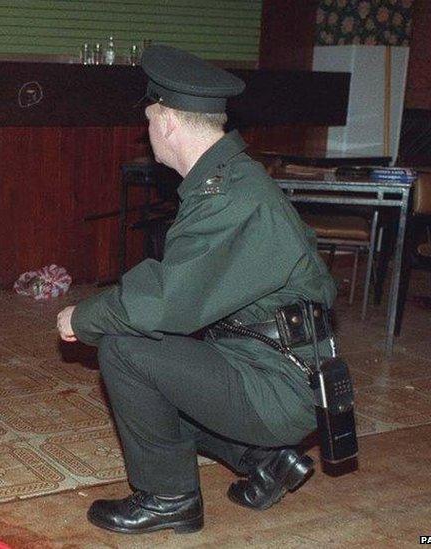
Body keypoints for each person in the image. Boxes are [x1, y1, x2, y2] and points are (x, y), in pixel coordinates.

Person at [55, 45, 337, 536]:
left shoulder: (229, 196)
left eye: (148, 122)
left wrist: (82, 318)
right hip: (271, 365)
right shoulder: (226, 182)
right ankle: (266, 460)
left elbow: (166, 299)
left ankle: (169, 499)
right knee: (159, 380)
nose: (148, 135)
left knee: (125, 350)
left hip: (280, 384)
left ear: (164, 121)